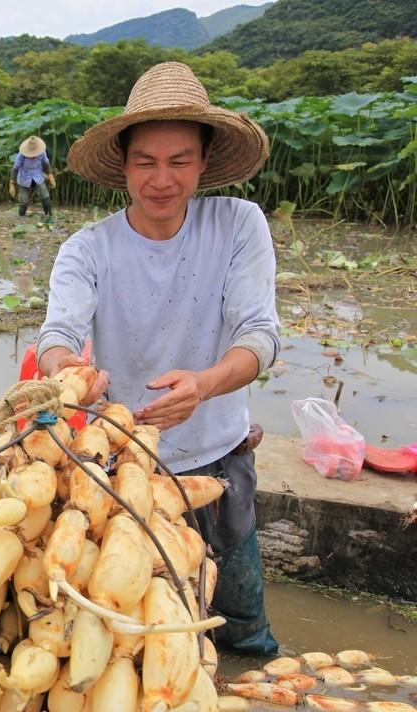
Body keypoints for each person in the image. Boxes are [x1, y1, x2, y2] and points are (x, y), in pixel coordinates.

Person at [36, 62, 280, 654]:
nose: (162, 178)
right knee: (137, 625)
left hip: (217, 462)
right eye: (145, 161)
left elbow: (259, 336)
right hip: (124, 468)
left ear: (203, 161)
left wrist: (205, 382)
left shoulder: (238, 225)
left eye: (179, 160)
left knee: (240, 617)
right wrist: (71, 374)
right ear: (123, 166)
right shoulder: (88, 248)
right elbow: (57, 335)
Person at [9, 135, 56, 218]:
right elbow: (15, 168)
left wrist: (50, 176)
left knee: (45, 195)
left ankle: (49, 215)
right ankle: (21, 218)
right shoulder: (21, 155)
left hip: (37, 176)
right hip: (24, 178)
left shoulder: (42, 152)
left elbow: (46, 164)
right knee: (23, 200)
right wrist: (11, 184)